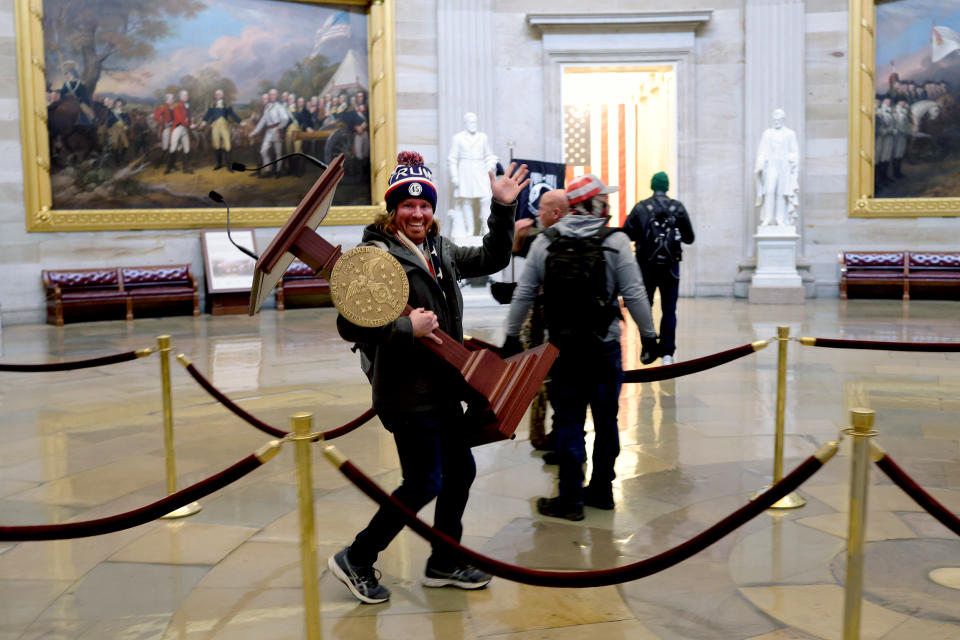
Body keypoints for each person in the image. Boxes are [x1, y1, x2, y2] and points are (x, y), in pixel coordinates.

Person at [329, 151, 530, 604]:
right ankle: (357, 558)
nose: (417, 213)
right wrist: (405, 327)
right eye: (407, 205)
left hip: (443, 387)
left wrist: (502, 208)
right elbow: (348, 326)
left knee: (460, 471)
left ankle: (444, 561)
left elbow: (495, 256)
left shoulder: (441, 250)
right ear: (392, 210)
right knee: (424, 481)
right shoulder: (374, 256)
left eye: (424, 205)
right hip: (405, 393)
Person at [502, 174, 658, 521]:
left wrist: (511, 336)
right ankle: (602, 489)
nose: (609, 202)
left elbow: (524, 292)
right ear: (593, 204)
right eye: (604, 198)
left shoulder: (547, 241)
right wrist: (649, 337)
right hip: (603, 347)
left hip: (564, 349)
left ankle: (570, 498)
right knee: (606, 421)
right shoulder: (615, 241)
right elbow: (634, 293)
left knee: (569, 420)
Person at [512, 188, 569, 453]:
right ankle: (546, 435)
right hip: (548, 327)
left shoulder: (549, 239)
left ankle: (551, 437)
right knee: (547, 385)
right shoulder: (543, 237)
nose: (537, 213)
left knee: (548, 385)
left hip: (550, 329)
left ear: (557, 212)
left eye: (543, 209)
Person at [622, 171, 695, 366]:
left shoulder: (641, 207)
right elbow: (690, 238)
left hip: (646, 267)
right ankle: (667, 354)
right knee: (669, 309)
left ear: (653, 186)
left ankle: (648, 348)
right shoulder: (677, 207)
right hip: (671, 268)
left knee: (644, 308)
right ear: (667, 186)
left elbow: (627, 234)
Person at [448, 112, 498, 236]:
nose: (473, 125)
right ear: (466, 123)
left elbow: (489, 154)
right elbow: (452, 158)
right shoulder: (458, 138)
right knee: (466, 201)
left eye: (475, 122)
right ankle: (469, 229)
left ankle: (486, 227)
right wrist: (455, 176)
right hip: (465, 170)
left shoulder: (483, 137)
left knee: (485, 199)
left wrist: (492, 162)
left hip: (480, 170)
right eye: (471, 122)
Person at [755, 109, 800, 226]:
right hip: (771, 165)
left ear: (783, 119)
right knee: (769, 190)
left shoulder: (790, 133)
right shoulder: (767, 133)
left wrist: (791, 158)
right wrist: (760, 162)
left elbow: (794, 151)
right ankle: (768, 218)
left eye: (779, 119)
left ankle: (780, 219)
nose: (777, 121)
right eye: (775, 119)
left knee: (781, 192)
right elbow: (762, 151)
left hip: (784, 165)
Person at [249, 88, 291, 178]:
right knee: (263, 151)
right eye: (271, 94)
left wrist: (279, 128)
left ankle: (278, 171)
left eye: (274, 94)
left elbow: (285, 119)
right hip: (269, 132)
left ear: (276, 96)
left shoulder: (279, 107)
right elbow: (262, 121)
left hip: (277, 131)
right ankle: (268, 171)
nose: (272, 96)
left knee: (278, 153)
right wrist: (254, 132)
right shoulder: (267, 108)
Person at [202, 89, 242, 171]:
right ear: (215, 96)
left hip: (224, 126)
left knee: (227, 145)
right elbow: (208, 115)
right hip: (215, 126)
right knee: (216, 145)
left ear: (222, 96)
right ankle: (219, 164)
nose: (218, 96)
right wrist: (203, 122)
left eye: (219, 94)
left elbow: (232, 114)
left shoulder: (227, 105)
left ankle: (229, 166)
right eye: (216, 94)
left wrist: (240, 121)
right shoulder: (212, 105)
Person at [166, 90, 195, 174]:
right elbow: (179, 118)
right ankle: (168, 168)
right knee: (173, 147)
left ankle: (185, 169)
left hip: (184, 129)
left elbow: (187, 117)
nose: (187, 97)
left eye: (187, 95)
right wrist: (189, 124)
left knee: (187, 148)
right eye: (185, 95)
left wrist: (191, 120)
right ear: (181, 97)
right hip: (177, 128)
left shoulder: (187, 106)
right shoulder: (176, 105)